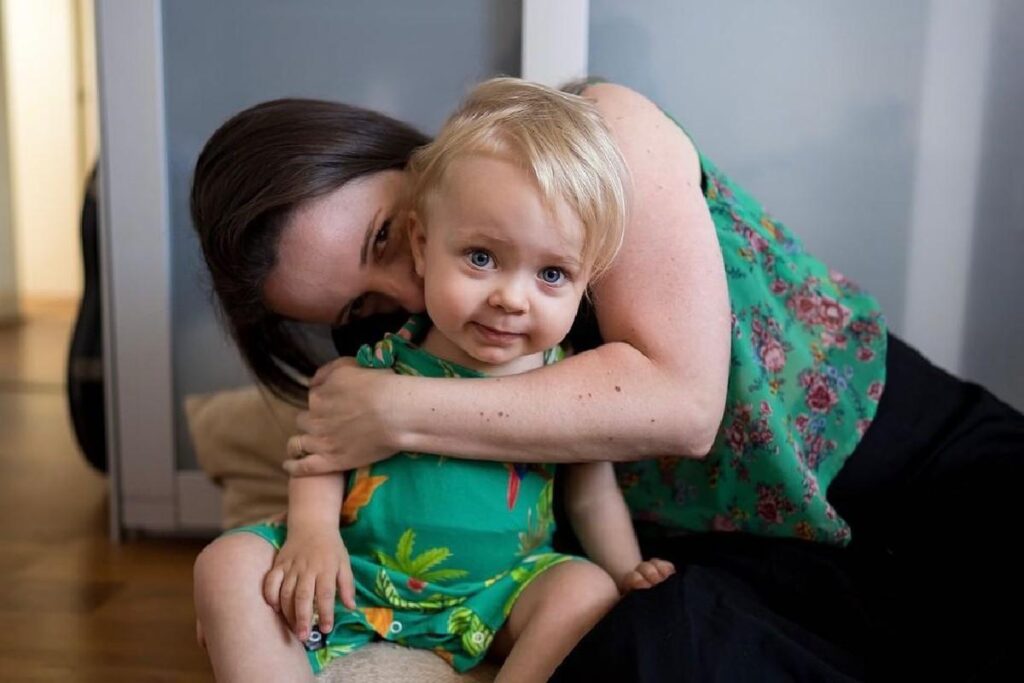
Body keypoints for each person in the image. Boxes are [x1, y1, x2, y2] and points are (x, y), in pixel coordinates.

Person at [191, 76, 1024, 681]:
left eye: (383, 238)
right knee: (654, 643)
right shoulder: (403, 346)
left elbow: (684, 408)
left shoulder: (603, 136)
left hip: (916, 473)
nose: (408, 293)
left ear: (416, 162)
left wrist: (398, 408)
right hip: (747, 561)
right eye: (362, 306)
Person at [194, 78, 675, 681]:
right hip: (359, 579)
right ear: (429, 242)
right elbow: (318, 454)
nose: (511, 298)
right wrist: (311, 537)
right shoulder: (376, 363)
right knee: (227, 565)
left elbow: (591, 495)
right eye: (481, 258)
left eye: (552, 273)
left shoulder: (574, 379)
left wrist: (626, 572)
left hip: (497, 593)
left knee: (586, 589)